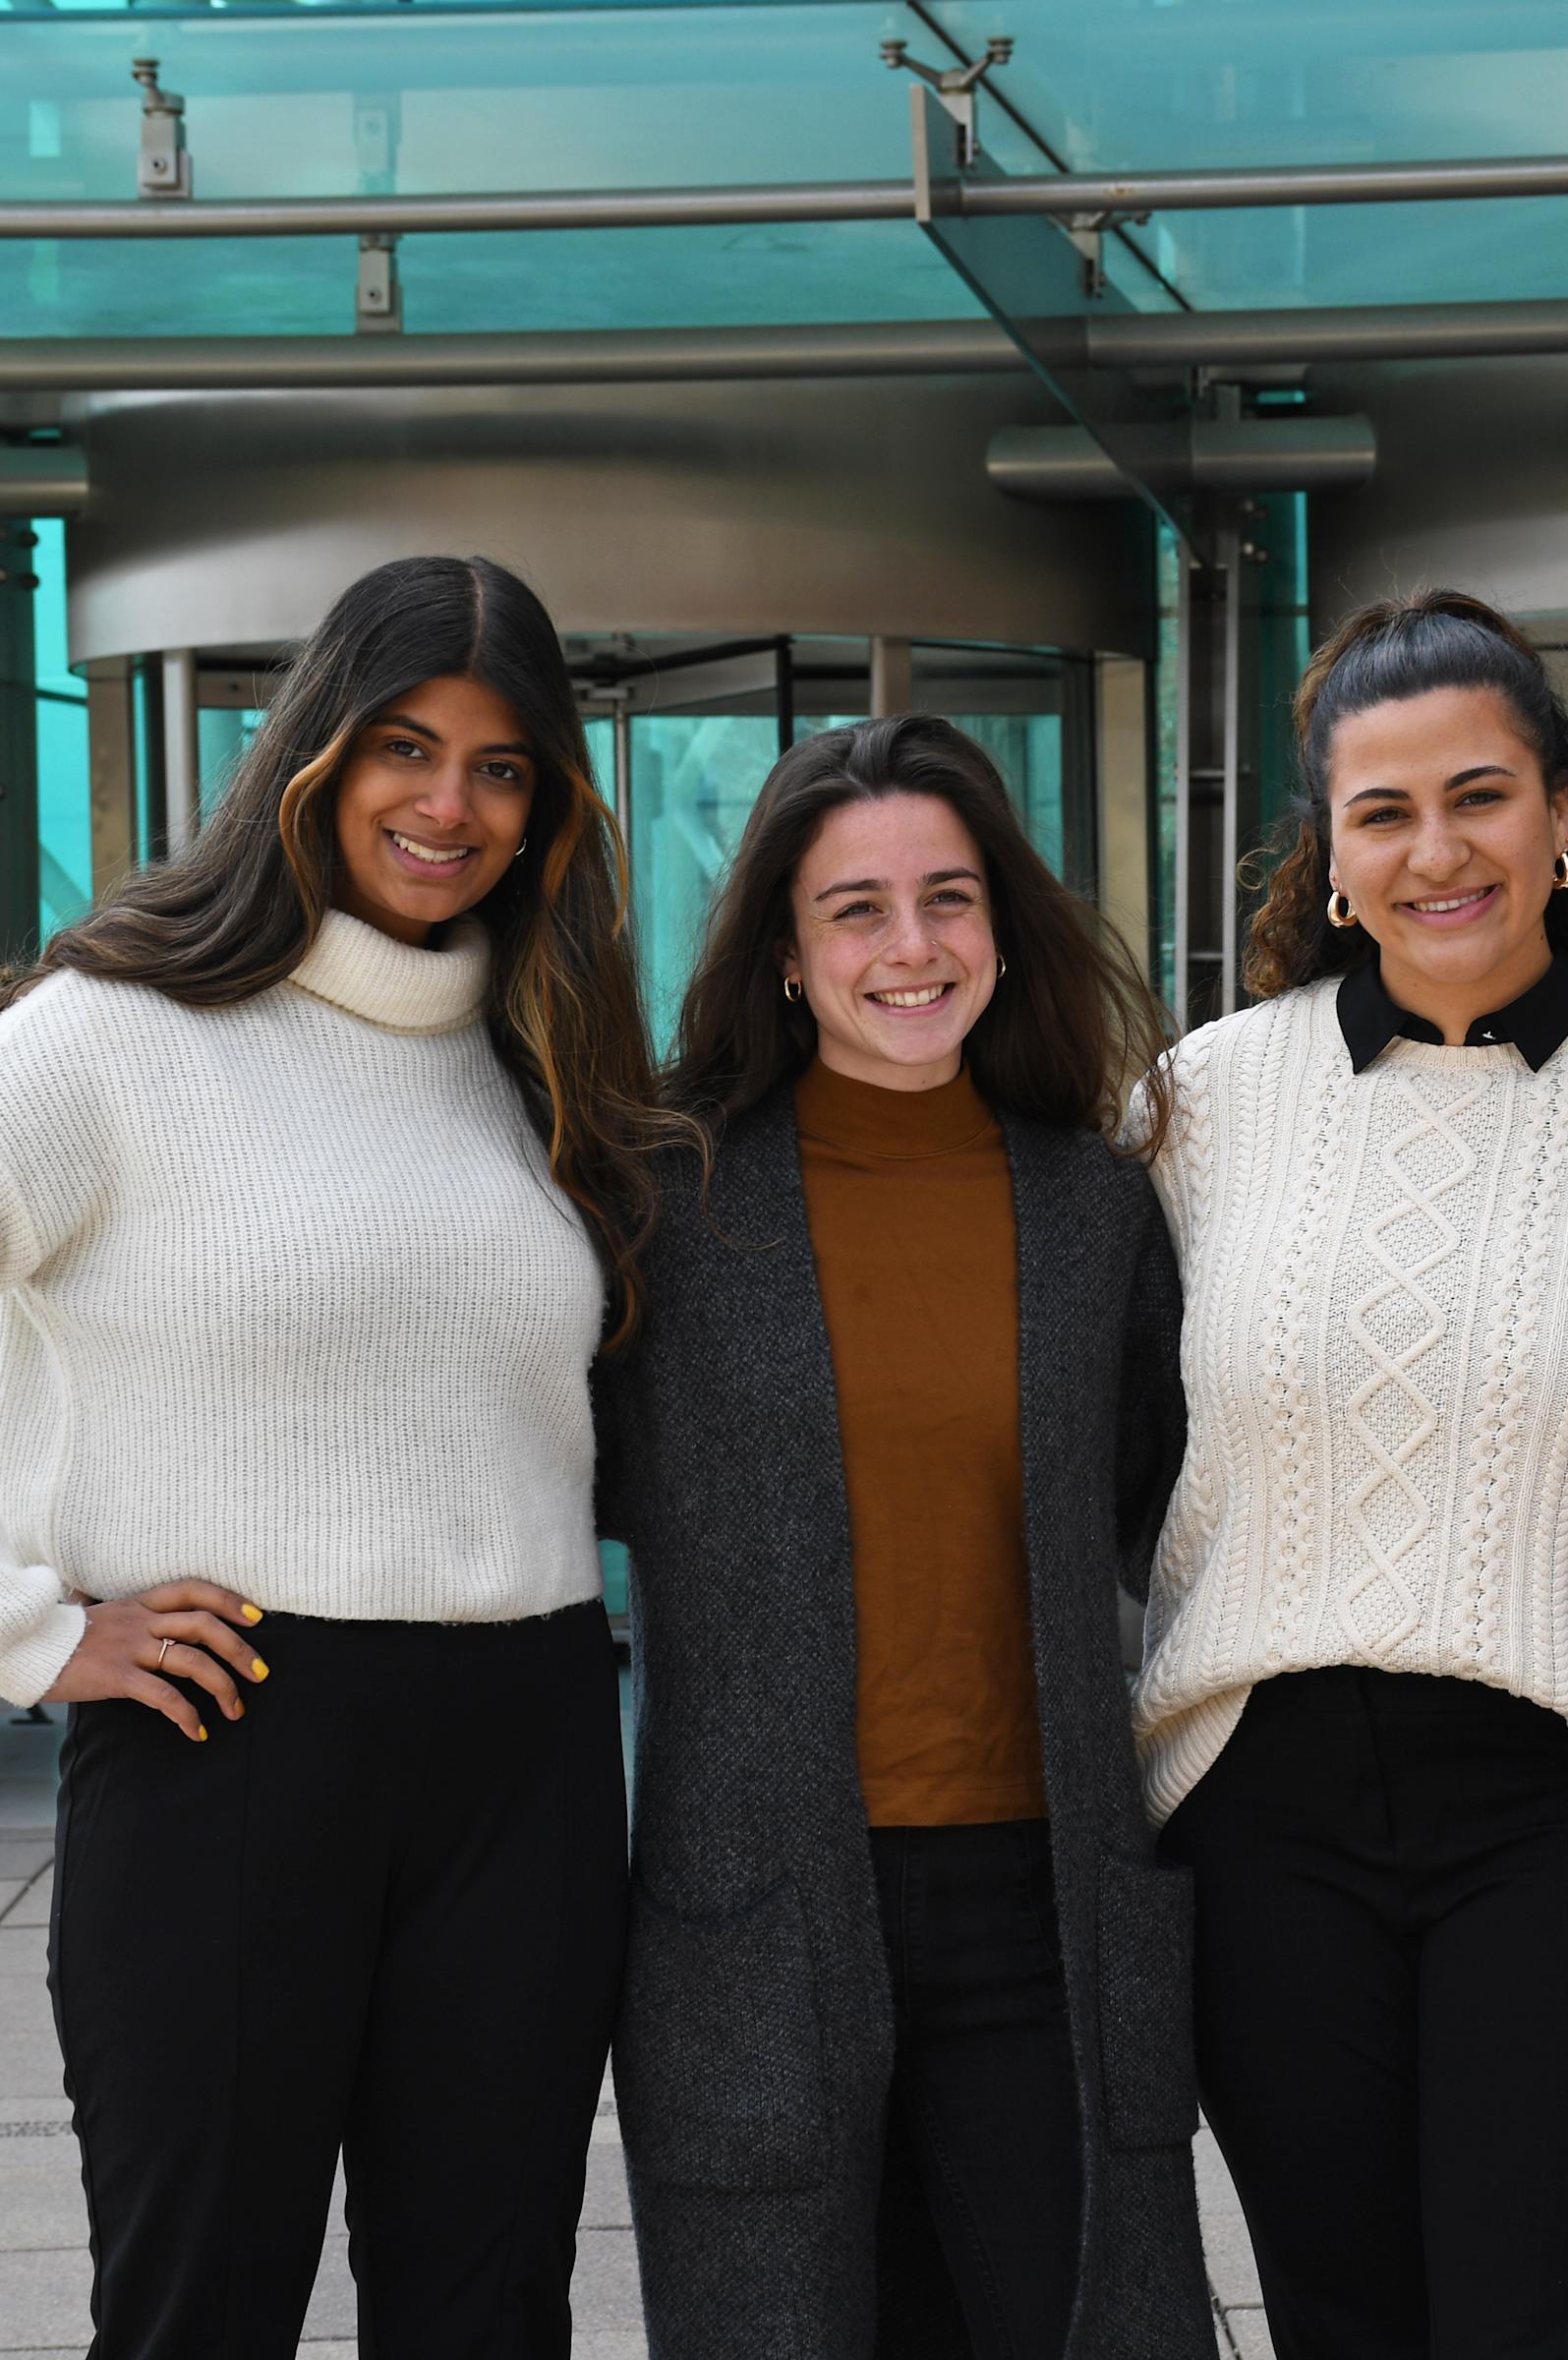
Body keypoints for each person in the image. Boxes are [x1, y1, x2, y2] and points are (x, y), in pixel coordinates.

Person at [0, 555, 681, 2357]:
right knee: (197, 2313)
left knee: (487, 2319)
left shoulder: (542, 1064)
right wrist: (28, 1634)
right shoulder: (108, 1039)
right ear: (309, 753)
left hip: (528, 1759)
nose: (447, 804)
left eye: (502, 763)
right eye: (402, 746)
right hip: (231, 1742)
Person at [1137, 589, 1568, 2359]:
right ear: (1331, 857)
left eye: (1480, 796)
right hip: (1260, 1806)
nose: (1441, 851)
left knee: (1542, 2322)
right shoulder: (1203, 1100)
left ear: (1562, 816)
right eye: (1385, 812)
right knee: (1342, 2320)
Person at [596, 714, 1214, 2360]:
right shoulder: (670, 1212)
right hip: (761, 1910)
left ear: (1004, 926)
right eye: (855, 909)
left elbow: (1171, 1506)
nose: (912, 946)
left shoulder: (1097, 1211)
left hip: (1048, 1906)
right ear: (788, 957)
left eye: (948, 897)